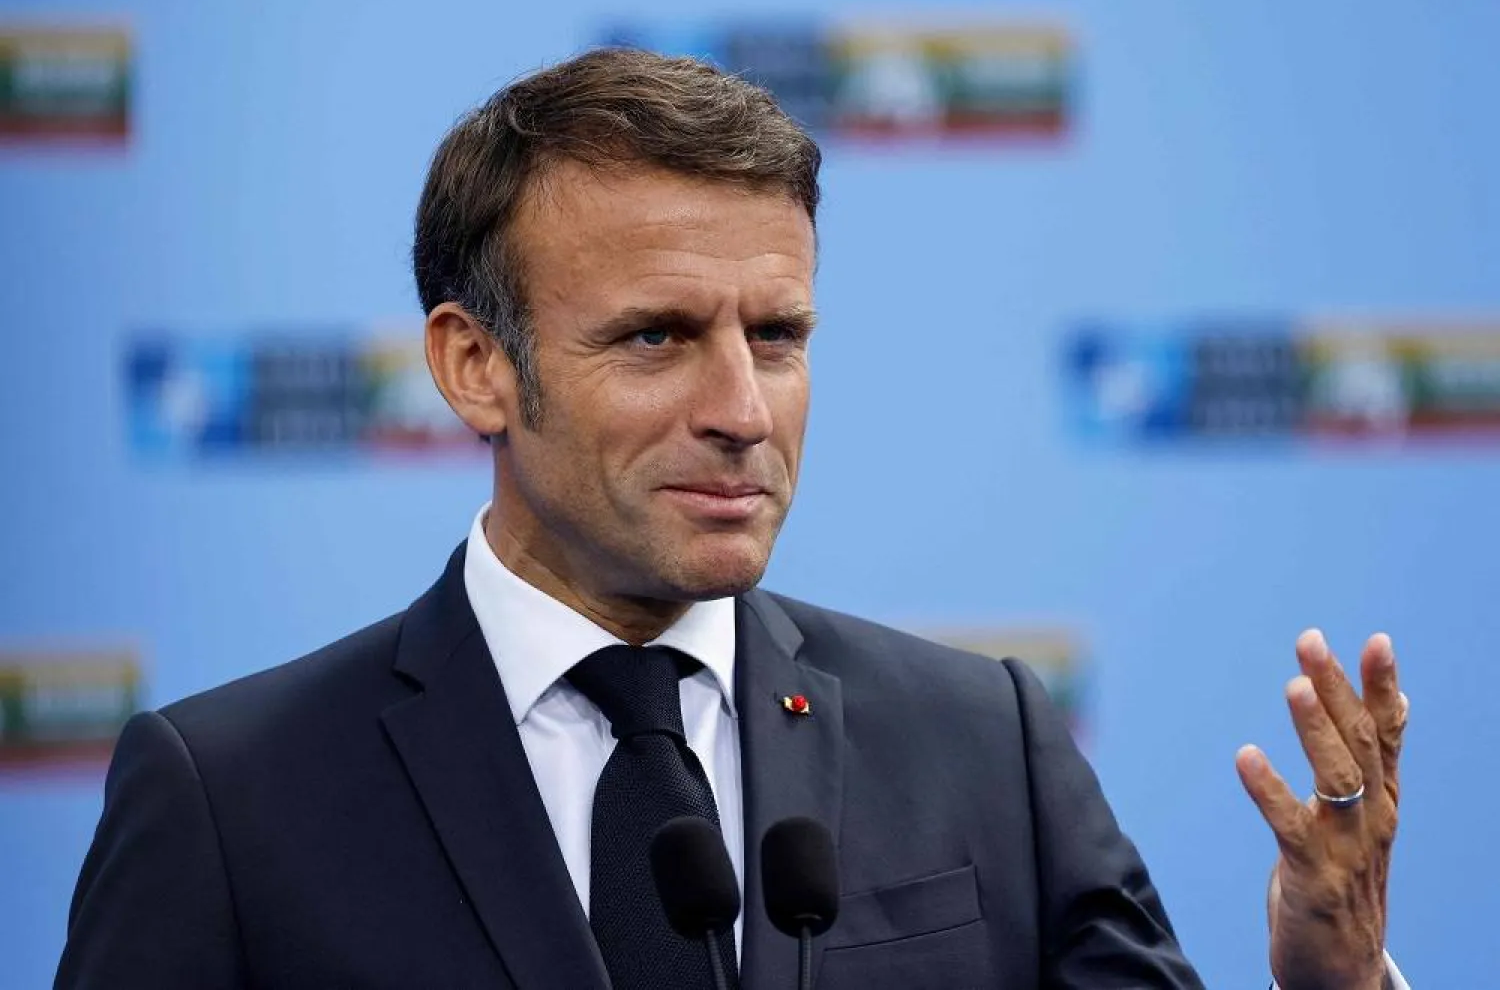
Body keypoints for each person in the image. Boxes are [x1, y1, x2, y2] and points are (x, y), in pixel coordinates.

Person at [56, 48, 1411, 989]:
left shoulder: (982, 744)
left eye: (777, 334)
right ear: (475, 366)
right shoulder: (231, 800)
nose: (742, 409)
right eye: (656, 337)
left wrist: (1340, 978)